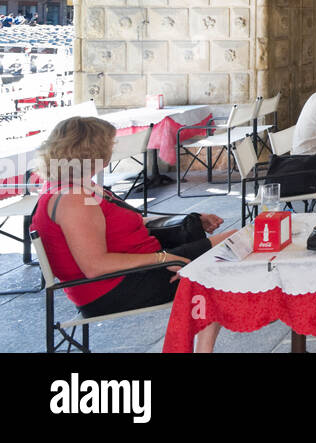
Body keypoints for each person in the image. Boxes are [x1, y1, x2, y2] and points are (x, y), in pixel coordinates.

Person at [29, 116, 238, 351]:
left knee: (231, 246)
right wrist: (163, 258)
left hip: (133, 268)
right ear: (94, 151)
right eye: (109, 144)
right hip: (115, 287)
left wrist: (191, 220)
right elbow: (95, 266)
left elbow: (125, 223)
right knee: (230, 249)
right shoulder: (73, 198)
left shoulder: (74, 185)